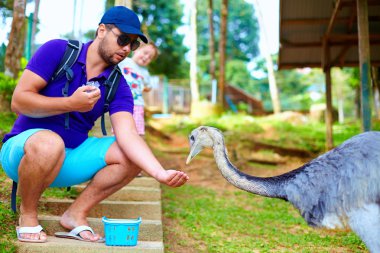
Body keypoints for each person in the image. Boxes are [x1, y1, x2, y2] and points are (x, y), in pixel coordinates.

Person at [0, 6, 189, 243]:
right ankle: (28, 215)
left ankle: (75, 214)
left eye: (133, 44)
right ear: (102, 30)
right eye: (123, 39)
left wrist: (159, 173)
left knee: (130, 154)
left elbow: (128, 134)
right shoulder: (58, 51)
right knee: (50, 142)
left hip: (70, 160)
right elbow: (18, 101)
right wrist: (70, 103)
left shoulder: (118, 85)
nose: (127, 49)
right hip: (23, 155)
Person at [118, 41, 158, 137]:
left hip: (137, 105)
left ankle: (136, 148)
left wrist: (141, 88)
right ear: (136, 50)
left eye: (150, 58)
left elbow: (148, 87)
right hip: (121, 103)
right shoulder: (123, 61)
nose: (146, 57)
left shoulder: (145, 72)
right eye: (145, 53)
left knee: (138, 133)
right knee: (120, 131)